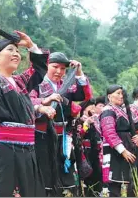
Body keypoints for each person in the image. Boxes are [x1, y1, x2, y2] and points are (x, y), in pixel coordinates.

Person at [0, 17, 54, 196]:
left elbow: (39, 70)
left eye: (17, 51)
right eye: (10, 50)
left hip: (27, 150)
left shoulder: (20, 83)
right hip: (4, 151)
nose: (16, 54)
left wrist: (31, 45)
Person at [30, 52, 93, 196]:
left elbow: (86, 96)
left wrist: (79, 72)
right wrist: (42, 106)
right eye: (55, 66)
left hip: (63, 138)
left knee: (65, 175)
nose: (59, 71)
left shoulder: (67, 86)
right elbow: (28, 102)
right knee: (45, 174)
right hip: (42, 137)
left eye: (63, 68)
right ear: (47, 65)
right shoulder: (37, 84)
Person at [100, 85, 138, 197]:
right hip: (115, 151)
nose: (121, 96)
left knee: (127, 181)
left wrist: (135, 138)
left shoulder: (121, 110)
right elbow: (109, 133)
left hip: (126, 148)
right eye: (117, 93)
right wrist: (122, 150)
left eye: (122, 93)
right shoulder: (108, 111)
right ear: (109, 96)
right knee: (114, 185)